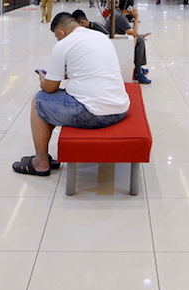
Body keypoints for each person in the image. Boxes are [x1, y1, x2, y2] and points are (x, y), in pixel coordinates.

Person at [12, 12, 130, 176]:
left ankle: (40, 162)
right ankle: (43, 156)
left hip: (94, 114)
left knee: (39, 100)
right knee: (54, 100)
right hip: (120, 108)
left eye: (56, 36)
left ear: (60, 32)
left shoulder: (63, 44)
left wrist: (43, 78)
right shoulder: (101, 37)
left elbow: (49, 88)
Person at [115, 0, 152, 84]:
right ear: (129, 7)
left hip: (117, 38)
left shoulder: (118, 13)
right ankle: (137, 72)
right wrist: (136, 18)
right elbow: (133, 33)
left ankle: (138, 67)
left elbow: (132, 33)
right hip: (116, 42)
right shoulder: (120, 17)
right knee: (140, 41)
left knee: (139, 39)